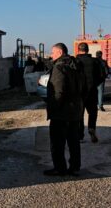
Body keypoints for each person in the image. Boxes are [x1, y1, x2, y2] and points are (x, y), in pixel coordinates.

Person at [44, 43, 85, 176]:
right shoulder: (77, 65)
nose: (51, 55)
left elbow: (58, 92)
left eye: (53, 52)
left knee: (57, 143)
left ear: (60, 52)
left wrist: (53, 109)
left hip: (61, 113)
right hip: (75, 111)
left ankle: (59, 168)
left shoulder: (59, 67)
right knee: (74, 142)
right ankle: (75, 167)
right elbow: (85, 87)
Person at [76, 42, 103, 143]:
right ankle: (91, 128)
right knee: (92, 113)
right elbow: (102, 75)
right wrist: (94, 84)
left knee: (79, 115)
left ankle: (80, 136)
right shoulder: (95, 61)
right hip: (92, 91)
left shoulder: (75, 61)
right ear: (87, 50)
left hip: (79, 93)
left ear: (79, 50)